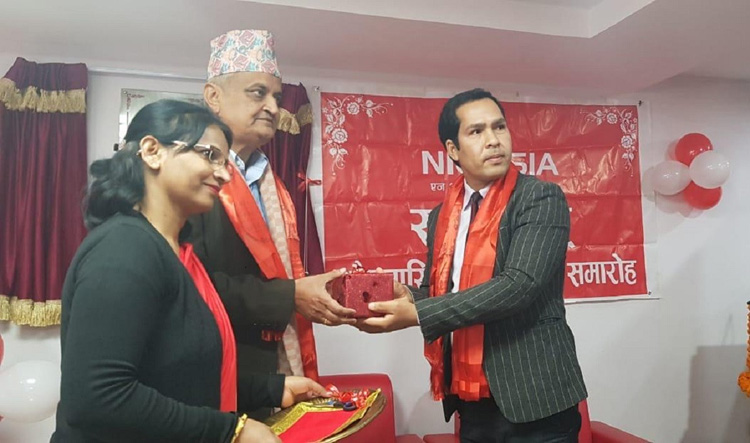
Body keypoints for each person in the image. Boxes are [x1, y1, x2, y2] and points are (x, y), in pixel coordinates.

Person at [53, 99, 326, 443]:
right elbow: (97, 399)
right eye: (209, 155)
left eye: (225, 162)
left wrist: (271, 388)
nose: (224, 174)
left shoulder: (180, 254)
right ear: (152, 151)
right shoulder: (124, 247)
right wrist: (231, 431)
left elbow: (181, 376)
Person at [358, 89, 588, 442]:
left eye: (499, 127)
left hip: (537, 398)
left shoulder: (539, 197)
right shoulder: (442, 216)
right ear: (453, 149)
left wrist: (418, 313)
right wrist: (405, 296)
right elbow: (442, 292)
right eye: (477, 131)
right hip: (472, 402)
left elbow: (519, 285)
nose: (493, 140)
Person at [189, 29, 355, 417]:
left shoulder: (272, 184)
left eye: (277, 98)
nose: (272, 107)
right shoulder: (191, 177)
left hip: (271, 381)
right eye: (257, 93)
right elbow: (192, 286)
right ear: (213, 97)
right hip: (211, 382)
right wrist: (290, 295)